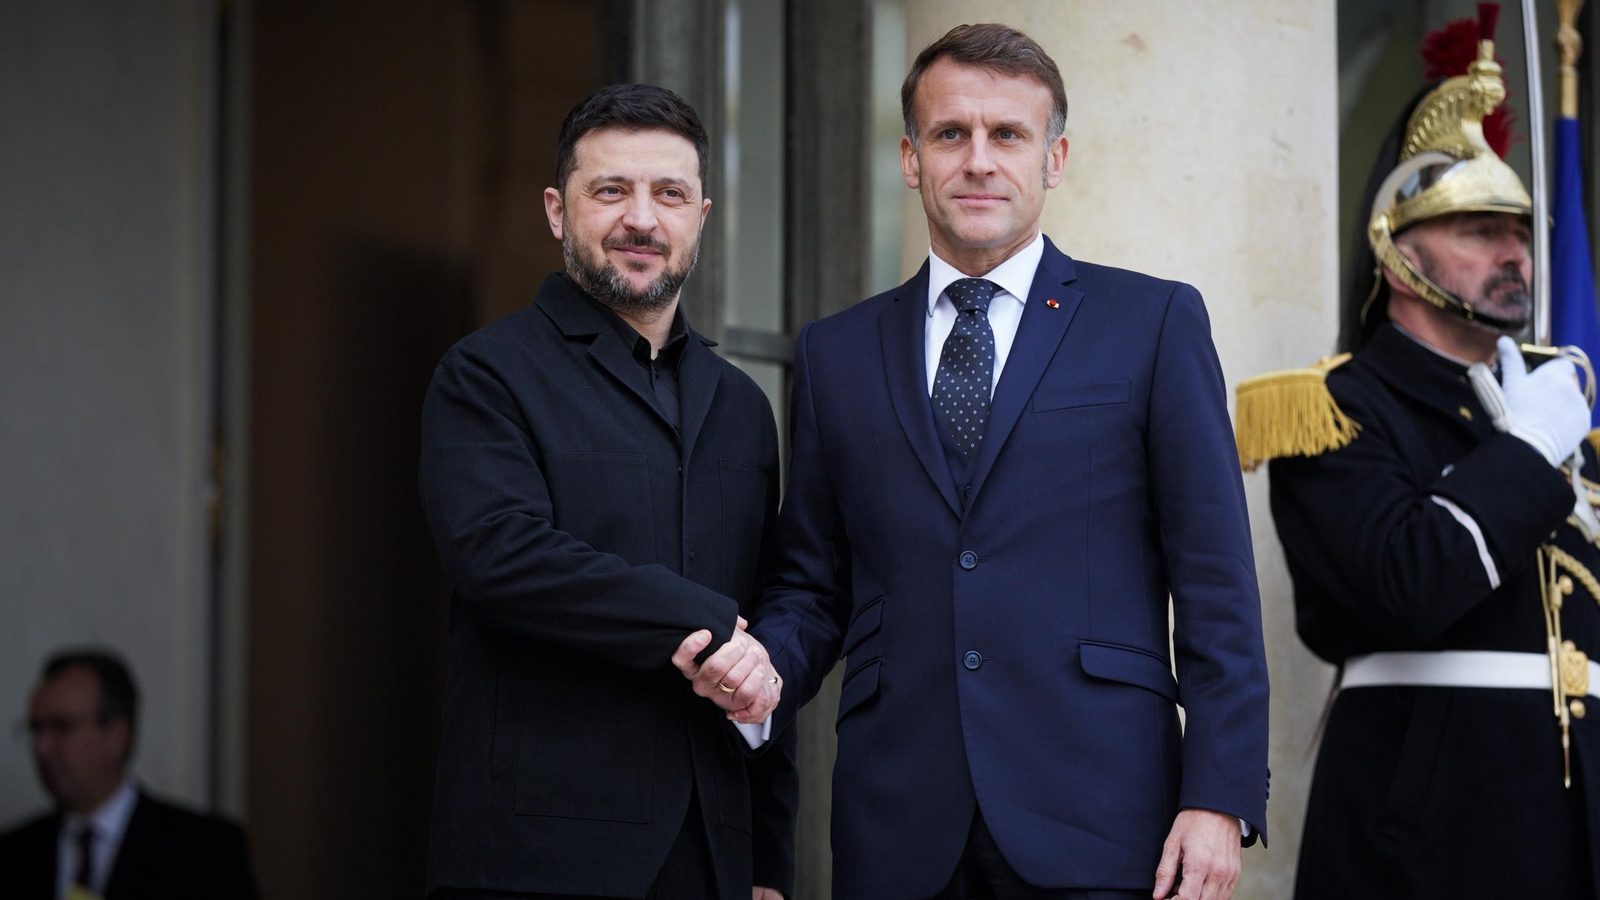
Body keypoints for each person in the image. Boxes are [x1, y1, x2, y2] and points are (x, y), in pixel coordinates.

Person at [681, 23, 1269, 900]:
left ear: (1055, 158)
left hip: (1106, 817)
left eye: (1009, 135)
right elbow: (812, 583)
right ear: (912, 159)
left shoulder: (1152, 323)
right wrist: (763, 670)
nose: (979, 160)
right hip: (899, 822)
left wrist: (1218, 797)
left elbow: (1217, 581)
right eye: (951, 134)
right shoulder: (837, 353)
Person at [1238, 12, 1600, 898]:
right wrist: (1524, 451)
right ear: (1399, 262)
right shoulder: (1335, 411)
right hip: (1433, 827)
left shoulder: (1561, 401)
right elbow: (1405, 585)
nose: (1513, 252)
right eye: (1478, 230)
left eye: (1518, 231)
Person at [418, 82, 795, 900]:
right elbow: (500, 556)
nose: (642, 219)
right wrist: (691, 619)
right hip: (540, 858)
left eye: (670, 194)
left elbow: (760, 626)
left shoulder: (742, 406)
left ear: (702, 214)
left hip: (715, 857)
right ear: (558, 211)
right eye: (611, 190)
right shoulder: (487, 375)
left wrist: (767, 862)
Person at [0, 648, 258, 900]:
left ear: (117, 735)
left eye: (62, 727)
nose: (42, 748)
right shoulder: (14, 854)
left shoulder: (204, 851)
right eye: (36, 729)